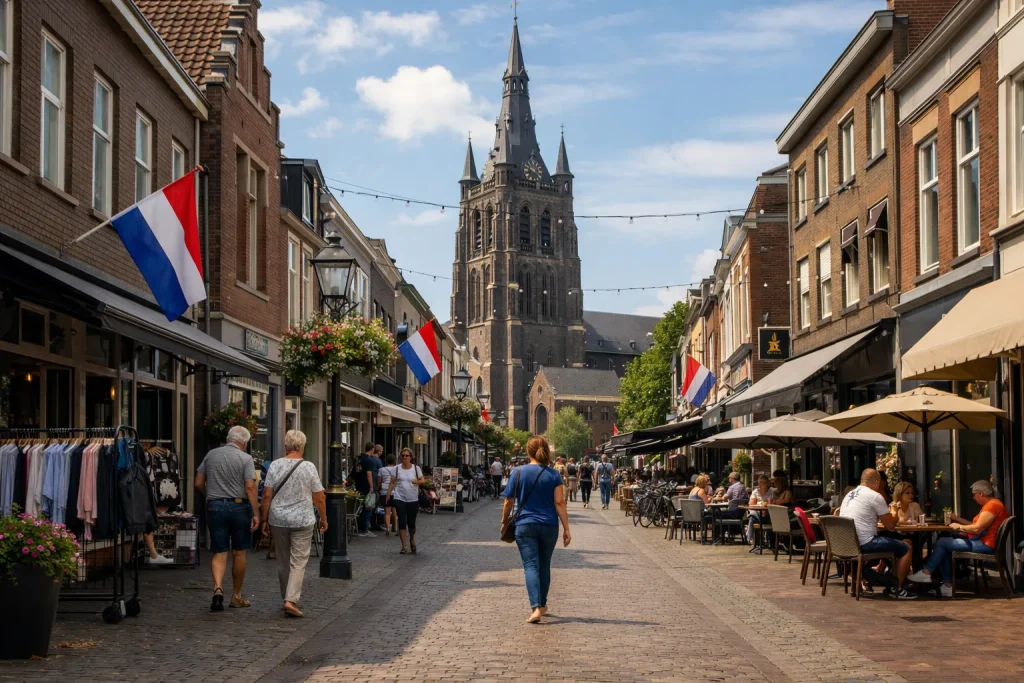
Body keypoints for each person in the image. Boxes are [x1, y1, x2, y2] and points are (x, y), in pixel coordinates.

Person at [500, 436, 570, 624]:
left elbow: (508, 501)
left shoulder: (518, 472)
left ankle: (536, 607)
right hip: (549, 524)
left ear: (528, 451)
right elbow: (560, 502)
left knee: (531, 565)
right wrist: (566, 528)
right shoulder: (554, 474)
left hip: (525, 524)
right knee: (544, 564)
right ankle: (543, 604)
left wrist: (504, 521)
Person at [259, 430, 326, 618]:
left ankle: (287, 597)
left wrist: (264, 519)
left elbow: (266, 495)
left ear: (286, 446)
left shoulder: (275, 465)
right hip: (303, 519)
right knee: (298, 561)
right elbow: (319, 497)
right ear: (303, 446)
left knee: (283, 560)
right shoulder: (309, 467)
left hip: (278, 519)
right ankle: (291, 599)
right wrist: (324, 518)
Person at [907, 480, 1009, 597]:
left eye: (974, 494)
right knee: (945, 542)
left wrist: (959, 527)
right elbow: (975, 525)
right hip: (983, 541)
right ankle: (946, 585)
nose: (973, 497)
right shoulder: (992, 504)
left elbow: (976, 529)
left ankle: (928, 573)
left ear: (981, 493)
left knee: (943, 542)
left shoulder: (992, 506)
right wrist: (957, 519)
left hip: (985, 545)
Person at [195, 425, 259, 611]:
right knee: (239, 552)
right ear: (244, 442)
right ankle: (236, 596)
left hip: (214, 506)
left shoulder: (211, 455)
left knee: (219, 551)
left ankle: (217, 588)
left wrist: (210, 495)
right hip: (239, 507)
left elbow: (198, 482)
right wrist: (256, 513)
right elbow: (250, 487)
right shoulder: (245, 458)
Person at [838, 469, 916, 599]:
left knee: (898, 542)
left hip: (847, 543)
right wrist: (894, 512)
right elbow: (890, 526)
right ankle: (896, 588)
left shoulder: (850, 494)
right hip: (865, 542)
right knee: (907, 548)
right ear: (876, 482)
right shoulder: (874, 496)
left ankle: (886, 578)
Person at [386, 448, 426, 554]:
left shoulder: (416, 468)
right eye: (402, 455)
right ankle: (404, 546)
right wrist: (388, 495)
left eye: (406, 455)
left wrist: (416, 481)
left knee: (411, 523)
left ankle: (412, 538)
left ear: (410, 457)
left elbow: (423, 480)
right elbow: (392, 482)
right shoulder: (397, 468)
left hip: (413, 499)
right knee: (402, 521)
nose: (404, 457)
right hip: (400, 498)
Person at [746, 475, 775, 547]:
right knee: (753, 515)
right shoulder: (756, 491)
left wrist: (765, 502)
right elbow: (751, 503)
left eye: (763, 482)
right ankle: (751, 539)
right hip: (759, 514)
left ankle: (749, 539)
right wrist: (760, 502)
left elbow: (774, 502)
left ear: (767, 482)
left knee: (752, 518)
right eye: (759, 482)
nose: (760, 484)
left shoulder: (773, 491)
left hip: (770, 515)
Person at [354, 443, 376, 537]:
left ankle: (359, 527)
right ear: (372, 449)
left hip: (358, 485)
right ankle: (364, 529)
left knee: (359, 507)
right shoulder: (368, 460)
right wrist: (371, 487)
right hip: (366, 487)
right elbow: (369, 474)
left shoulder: (359, 459)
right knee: (368, 507)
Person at [379, 454, 399, 535]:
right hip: (395, 492)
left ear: (386, 461)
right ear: (395, 461)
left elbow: (379, 481)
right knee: (395, 511)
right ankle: (395, 528)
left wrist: (378, 487)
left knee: (387, 512)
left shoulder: (381, 469)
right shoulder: (397, 469)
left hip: (384, 492)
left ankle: (387, 529)